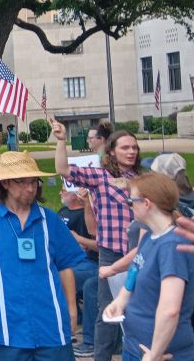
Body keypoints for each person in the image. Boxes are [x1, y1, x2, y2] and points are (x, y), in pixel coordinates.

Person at [0, 151, 84, 360]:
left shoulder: (50, 220)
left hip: (50, 322)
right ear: (5, 183)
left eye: (34, 182)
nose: (30, 188)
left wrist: (71, 308)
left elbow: (65, 266)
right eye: (22, 182)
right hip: (6, 324)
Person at [53, 120, 142, 361]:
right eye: (125, 147)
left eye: (134, 147)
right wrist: (61, 141)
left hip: (140, 252)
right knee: (107, 310)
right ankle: (102, 356)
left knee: (140, 308)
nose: (131, 151)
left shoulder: (143, 179)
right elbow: (64, 169)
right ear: (111, 151)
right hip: (111, 252)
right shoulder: (101, 176)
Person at [104, 173, 194, 361]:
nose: (129, 206)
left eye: (131, 201)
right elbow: (134, 272)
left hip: (161, 354)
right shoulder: (149, 236)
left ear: (146, 204)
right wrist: (119, 302)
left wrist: (155, 354)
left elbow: (170, 309)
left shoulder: (172, 245)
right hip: (135, 347)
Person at [59, 188, 99, 358]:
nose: (60, 193)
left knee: (67, 277)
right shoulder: (63, 211)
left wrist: (78, 239)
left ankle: (71, 329)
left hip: (92, 262)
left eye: (64, 190)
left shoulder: (89, 214)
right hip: (79, 259)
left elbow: (95, 241)